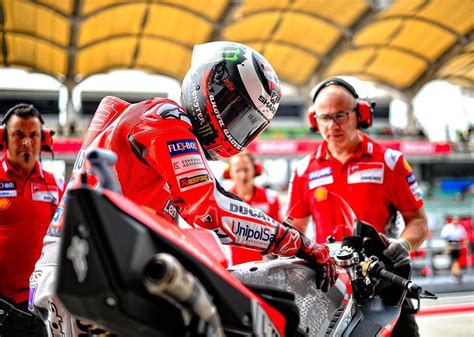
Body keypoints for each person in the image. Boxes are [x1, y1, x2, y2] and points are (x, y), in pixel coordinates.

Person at [30, 41, 338, 336]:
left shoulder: (149, 123)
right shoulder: (166, 118)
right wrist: (298, 243)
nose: (234, 127)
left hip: (88, 268)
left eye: (246, 122)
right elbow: (209, 208)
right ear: (208, 88)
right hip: (90, 271)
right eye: (232, 110)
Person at [286, 77, 429, 337]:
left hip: (385, 286)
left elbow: (418, 220)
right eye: (324, 118)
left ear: (360, 114)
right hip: (331, 288)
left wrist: (404, 245)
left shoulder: (391, 162)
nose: (332, 126)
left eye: (340, 116)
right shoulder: (303, 170)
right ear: (313, 120)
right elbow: (294, 227)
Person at [0, 103, 64, 337]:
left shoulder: (56, 184)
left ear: (43, 139)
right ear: (4, 138)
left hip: (40, 305)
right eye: (18, 134)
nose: (26, 142)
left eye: (33, 135)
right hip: (2, 305)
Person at [224, 151, 282, 264]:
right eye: (237, 170)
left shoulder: (270, 197)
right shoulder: (224, 200)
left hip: (265, 266)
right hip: (234, 266)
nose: (243, 175)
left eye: (246, 169)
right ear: (229, 173)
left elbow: (280, 234)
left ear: (255, 170)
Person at [440, 215, 468, 282]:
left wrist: (464, 244)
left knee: (455, 260)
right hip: (450, 244)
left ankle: (456, 273)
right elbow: (443, 236)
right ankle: (456, 273)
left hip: (457, 244)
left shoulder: (460, 227)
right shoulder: (448, 227)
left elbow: (464, 236)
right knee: (453, 260)